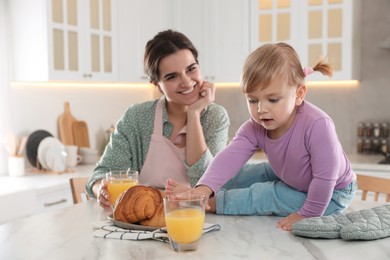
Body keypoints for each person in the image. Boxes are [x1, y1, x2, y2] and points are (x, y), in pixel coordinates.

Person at [166, 42, 356, 231]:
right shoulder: (255, 127)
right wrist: (204, 188)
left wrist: (308, 214)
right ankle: (199, 194)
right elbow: (229, 158)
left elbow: (325, 179)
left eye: (272, 100)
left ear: (299, 94)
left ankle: (212, 203)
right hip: (293, 175)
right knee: (249, 172)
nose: (261, 109)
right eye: (253, 100)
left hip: (332, 194)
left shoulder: (318, 125)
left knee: (269, 194)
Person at [86, 30, 230, 209]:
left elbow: (208, 184)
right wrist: (101, 189)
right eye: (172, 76)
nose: (186, 82)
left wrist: (193, 114)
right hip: (142, 220)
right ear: (157, 84)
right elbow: (101, 174)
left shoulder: (215, 117)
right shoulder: (137, 118)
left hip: (197, 221)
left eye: (191, 69)